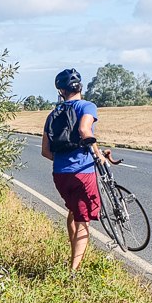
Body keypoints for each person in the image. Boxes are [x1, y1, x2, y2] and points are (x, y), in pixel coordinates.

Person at [41, 68, 100, 273]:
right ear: (80, 87)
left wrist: (63, 161)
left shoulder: (53, 115)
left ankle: (73, 252)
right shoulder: (87, 106)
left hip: (60, 175)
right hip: (82, 172)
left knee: (74, 211)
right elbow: (84, 130)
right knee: (83, 221)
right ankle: (73, 272)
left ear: (61, 91)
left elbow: (45, 151)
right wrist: (98, 154)